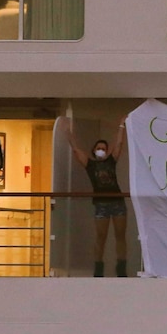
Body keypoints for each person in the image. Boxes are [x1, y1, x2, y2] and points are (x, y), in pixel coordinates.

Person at [67, 118, 128, 277]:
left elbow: (119, 144)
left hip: (117, 202)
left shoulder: (111, 160)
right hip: (101, 204)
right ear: (94, 150)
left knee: (120, 235)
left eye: (104, 148)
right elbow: (75, 149)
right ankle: (98, 268)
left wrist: (121, 125)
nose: (101, 150)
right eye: (98, 148)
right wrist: (68, 131)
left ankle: (121, 267)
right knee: (101, 236)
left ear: (106, 151)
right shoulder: (90, 164)